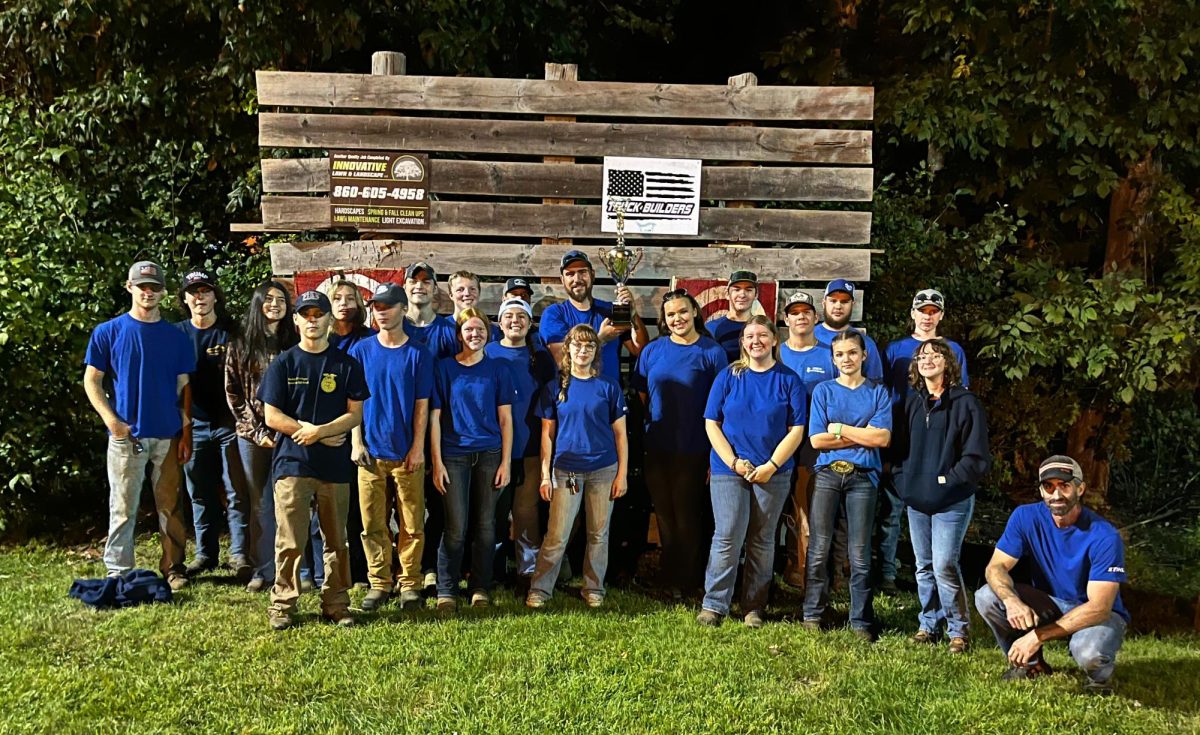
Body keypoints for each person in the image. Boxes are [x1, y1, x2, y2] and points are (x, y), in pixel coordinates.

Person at [259, 290, 368, 630]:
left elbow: (355, 415)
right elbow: (271, 415)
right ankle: (282, 604)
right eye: (305, 314)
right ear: (295, 320)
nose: (312, 320)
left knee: (337, 541)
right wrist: (305, 432)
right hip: (293, 463)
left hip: (334, 466)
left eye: (318, 314)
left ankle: (336, 603)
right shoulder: (284, 363)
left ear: (329, 319)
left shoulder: (346, 364)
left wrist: (319, 431)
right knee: (290, 540)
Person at [83, 261, 195, 590]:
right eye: (142, 286)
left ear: (163, 291)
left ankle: (173, 568)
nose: (149, 292)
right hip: (126, 436)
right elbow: (92, 381)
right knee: (122, 506)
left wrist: (184, 431)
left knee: (171, 506)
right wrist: (112, 422)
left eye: (155, 287)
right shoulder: (108, 331)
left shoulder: (176, 336)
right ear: (129, 287)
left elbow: (183, 386)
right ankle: (119, 571)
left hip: (167, 434)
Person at [975, 455, 1129, 694]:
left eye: (1064, 486)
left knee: (1088, 651)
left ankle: (1098, 683)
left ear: (1080, 488)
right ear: (1041, 491)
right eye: (1049, 487)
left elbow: (1099, 607)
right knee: (987, 597)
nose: (1056, 495)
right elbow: (995, 568)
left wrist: (1036, 635)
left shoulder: (1104, 536)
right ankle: (1030, 666)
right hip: (1052, 603)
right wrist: (1012, 601)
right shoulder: (1025, 517)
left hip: (1098, 613)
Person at [696, 316, 807, 628]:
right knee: (728, 534)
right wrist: (733, 462)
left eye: (762, 335)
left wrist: (770, 466)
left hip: (773, 471)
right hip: (729, 469)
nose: (755, 340)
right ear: (742, 342)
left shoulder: (789, 380)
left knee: (762, 538)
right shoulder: (728, 376)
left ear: (774, 340)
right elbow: (711, 423)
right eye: (749, 336)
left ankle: (754, 607)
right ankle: (714, 604)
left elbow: (796, 429)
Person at [890, 339, 990, 653]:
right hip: (917, 499)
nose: (928, 360)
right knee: (923, 565)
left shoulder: (965, 403)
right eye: (922, 356)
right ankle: (928, 624)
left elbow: (976, 457)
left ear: (947, 362)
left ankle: (958, 630)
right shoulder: (911, 403)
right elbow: (896, 450)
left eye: (935, 355)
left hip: (952, 499)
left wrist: (948, 480)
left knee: (945, 563)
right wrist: (903, 483)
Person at [526, 324, 629, 609]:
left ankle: (593, 587)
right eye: (578, 345)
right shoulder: (554, 387)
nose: (583, 351)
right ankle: (540, 589)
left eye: (590, 346)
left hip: (603, 469)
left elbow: (620, 434)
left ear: (596, 351)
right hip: (567, 470)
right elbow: (547, 435)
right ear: (568, 349)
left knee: (598, 533)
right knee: (557, 534)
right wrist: (545, 475)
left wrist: (621, 473)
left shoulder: (608, 386)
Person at [877, 288, 972, 594]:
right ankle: (887, 573)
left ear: (941, 315)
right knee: (892, 510)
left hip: (938, 443)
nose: (928, 316)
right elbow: (884, 394)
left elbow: (960, 396)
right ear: (913, 314)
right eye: (923, 310)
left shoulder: (953, 350)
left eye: (934, 311)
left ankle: (935, 575)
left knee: (933, 507)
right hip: (903, 436)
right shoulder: (897, 350)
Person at [633, 289, 726, 596]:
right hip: (658, 445)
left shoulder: (711, 352)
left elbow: (721, 403)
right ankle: (668, 577)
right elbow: (643, 393)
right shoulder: (653, 351)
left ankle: (688, 581)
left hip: (694, 445)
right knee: (664, 513)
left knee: (687, 514)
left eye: (683, 312)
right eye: (671, 314)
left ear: (695, 313)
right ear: (664, 319)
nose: (677, 319)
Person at [349, 282, 434, 611]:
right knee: (372, 524)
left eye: (387, 306)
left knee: (413, 524)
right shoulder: (361, 351)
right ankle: (379, 583)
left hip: (406, 455)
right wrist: (356, 443)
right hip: (370, 454)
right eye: (376, 307)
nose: (381, 312)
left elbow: (422, 406)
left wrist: (417, 447)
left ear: (402, 309)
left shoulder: (418, 353)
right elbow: (353, 404)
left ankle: (410, 584)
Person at [803, 330, 892, 639]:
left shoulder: (877, 393)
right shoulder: (823, 391)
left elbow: (881, 438)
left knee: (859, 551)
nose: (846, 359)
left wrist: (839, 428)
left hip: (863, 478)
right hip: (827, 474)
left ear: (863, 355)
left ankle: (860, 620)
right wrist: (862, 434)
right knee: (819, 547)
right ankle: (813, 612)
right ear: (833, 359)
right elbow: (817, 440)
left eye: (852, 353)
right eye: (840, 354)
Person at [430, 307, 514, 611]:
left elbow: (506, 420)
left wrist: (506, 461)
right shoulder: (444, 369)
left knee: (486, 526)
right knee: (455, 527)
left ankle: (480, 586)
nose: (475, 335)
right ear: (459, 335)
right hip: (453, 456)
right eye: (469, 330)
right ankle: (447, 590)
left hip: (490, 454)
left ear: (488, 334)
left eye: (480, 330)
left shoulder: (499, 369)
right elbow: (435, 419)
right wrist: (436, 462)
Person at [176, 269, 250, 582]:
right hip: (193, 424)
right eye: (193, 292)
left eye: (205, 291)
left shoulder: (233, 331)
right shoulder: (176, 334)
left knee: (235, 489)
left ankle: (239, 554)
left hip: (229, 422)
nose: (199, 297)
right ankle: (205, 554)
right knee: (199, 491)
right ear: (184, 299)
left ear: (215, 296)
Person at [224, 280, 297, 592]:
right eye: (268, 299)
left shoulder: (294, 342)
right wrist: (257, 432)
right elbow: (234, 393)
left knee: (294, 502)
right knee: (261, 504)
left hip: (292, 434)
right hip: (252, 438)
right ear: (257, 304)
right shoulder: (241, 343)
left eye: (280, 299)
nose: (274, 304)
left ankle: (298, 569)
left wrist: (290, 429)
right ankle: (263, 569)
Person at [485, 298, 556, 591]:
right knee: (494, 513)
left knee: (527, 514)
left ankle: (527, 572)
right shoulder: (487, 353)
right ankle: (492, 571)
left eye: (521, 316)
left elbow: (552, 401)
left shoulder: (540, 357)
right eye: (509, 316)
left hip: (528, 448)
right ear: (500, 322)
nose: (515, 321)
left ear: (529, 324)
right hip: (493, 448)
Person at [777, 291, 837, 589]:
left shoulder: (829, 354)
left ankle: (810, 568)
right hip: (778, 439)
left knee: (811, 507)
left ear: (816, 317)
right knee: (784, 506)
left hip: (815, 443)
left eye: (806, 312)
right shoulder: (776, 351)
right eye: (794, 312)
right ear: (785, 319)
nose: (801, 317)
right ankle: (788, 563)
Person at [540, 250, 648, 387]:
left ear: (592, 274)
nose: (577, 279)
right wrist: (600, 339)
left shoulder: (610, 310)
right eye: (570, 274)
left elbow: (640, 350)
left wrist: (633, 315)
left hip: (610, 397)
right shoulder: (554, 314)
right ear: (562, 280)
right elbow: (560, 360)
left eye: (582, 272)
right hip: (573, 397)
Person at [813, 279, 883, 382]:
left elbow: (875, 386)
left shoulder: (865, 343)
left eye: (844, 301)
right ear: (824, 303)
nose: (838, 306)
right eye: (833, 301)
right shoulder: (808, 337)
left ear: (852, 304)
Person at [402, 262, 459, 360]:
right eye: (413, 281)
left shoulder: (449, 332)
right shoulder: (395, 328)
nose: (419, 286)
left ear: (435, 289)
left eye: (426, 282)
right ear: (404, 287)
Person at [706, 270, 760, 363]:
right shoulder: (712, 328)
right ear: (727, 294)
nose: (742, 295)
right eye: (737, 289)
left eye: (748, 290)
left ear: (756, 295)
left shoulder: (763, 328)